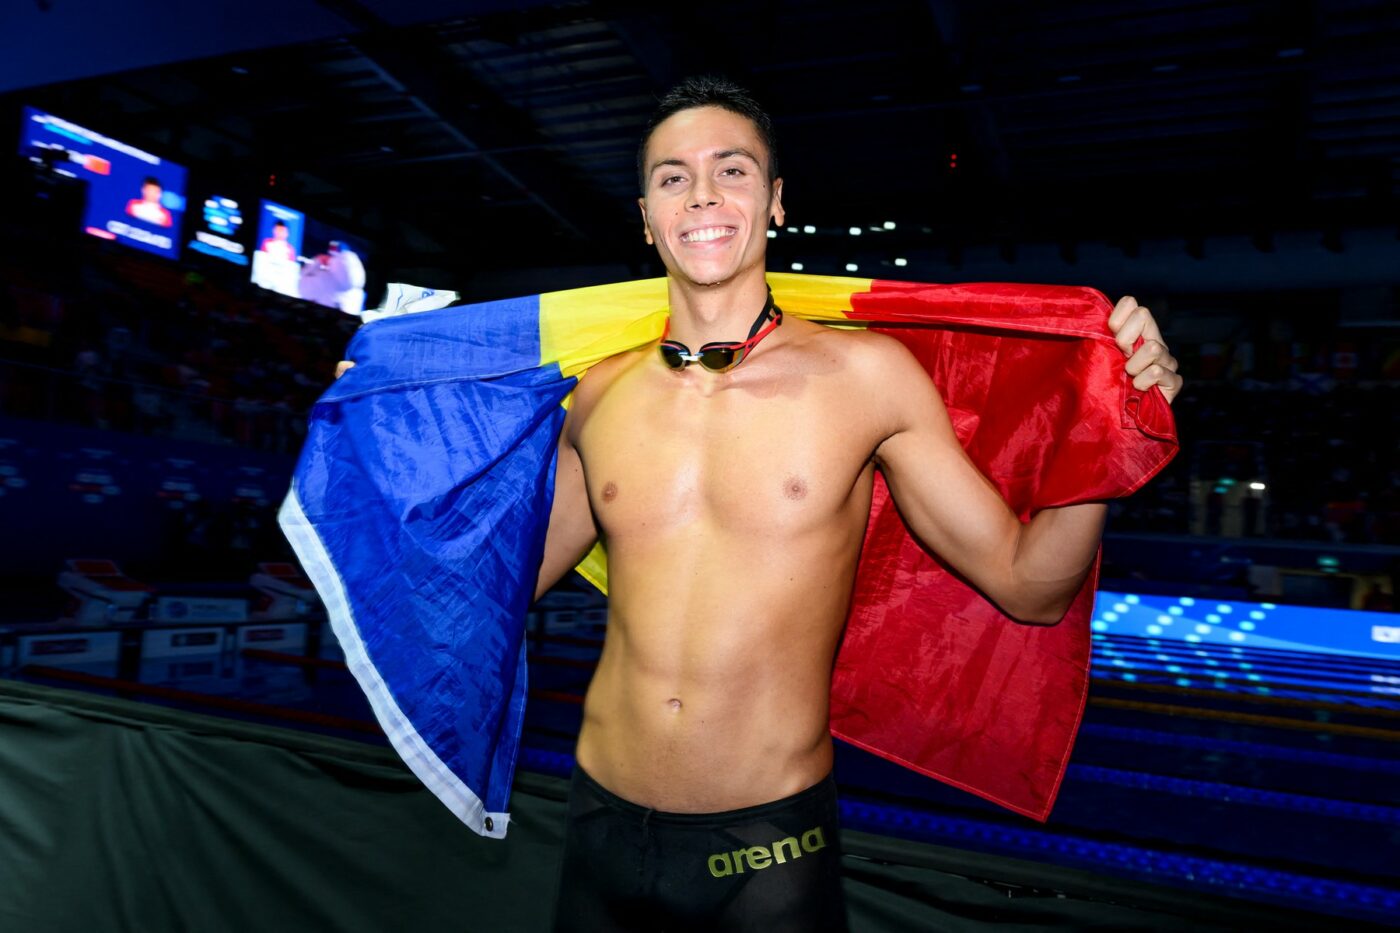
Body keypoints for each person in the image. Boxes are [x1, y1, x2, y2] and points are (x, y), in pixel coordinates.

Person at [329, 78, 1182, 931]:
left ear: (774, 202)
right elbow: (490, 588)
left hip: (769, 848)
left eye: (731, 170)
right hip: (600, 820)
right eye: (673, 177)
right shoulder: (598, 395)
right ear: (647, 217)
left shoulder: (867, 377)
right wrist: (380, 444)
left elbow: (1030, 586)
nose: (702, 194)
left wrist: (1111, 435)